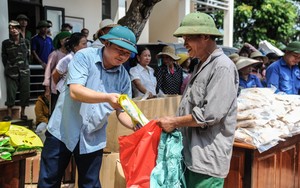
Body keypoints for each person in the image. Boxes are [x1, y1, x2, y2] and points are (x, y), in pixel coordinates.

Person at [38, 25, 138, 187]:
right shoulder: (84, 57)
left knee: (90, 184)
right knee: (49, 181)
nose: (122, 56)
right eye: (119, 50)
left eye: (127, 53)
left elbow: (122, 111)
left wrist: (137, 125)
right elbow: (76, 91)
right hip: (62, 131)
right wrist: (107, 97)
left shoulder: (124, 77)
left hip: (92, 136)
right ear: (106, 43)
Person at [156, 12, 239, 187]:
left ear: (205, 37)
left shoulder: (222, 67)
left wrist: (175, 122)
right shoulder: (201, 64)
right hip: (191, 157)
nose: (184, 43)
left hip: (206, 160)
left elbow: (210, 115)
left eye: (188, 38)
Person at [1, 21, 31, 121]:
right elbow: (4, 57)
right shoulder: (6, 43)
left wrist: (24, 66)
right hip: (11, 71)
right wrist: (9, 67)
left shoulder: (26, 42)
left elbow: (28, 56)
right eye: (10, 28)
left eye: (15, 28)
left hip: (24, 71)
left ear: (19, 29)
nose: (13, 30)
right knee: (10, 92)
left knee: (25, 92)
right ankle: (9, 114)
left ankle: (23, 113)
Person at [43, 31, 71, 113]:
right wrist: (47, 87)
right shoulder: (55, 54)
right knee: (55, 109)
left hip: (67, 87)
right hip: (56, 87)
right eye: (66, 39)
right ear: (61, 41)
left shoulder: (71, 54)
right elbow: (48, 70)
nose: (68, 41)